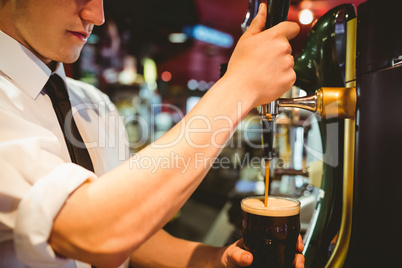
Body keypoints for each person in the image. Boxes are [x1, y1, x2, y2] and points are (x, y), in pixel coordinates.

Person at [0, 0, 304, 267]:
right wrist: (240, 86)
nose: (98, 15)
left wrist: (216, 261)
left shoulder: (94, 103)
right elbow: (89, 232)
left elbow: (126, 226)